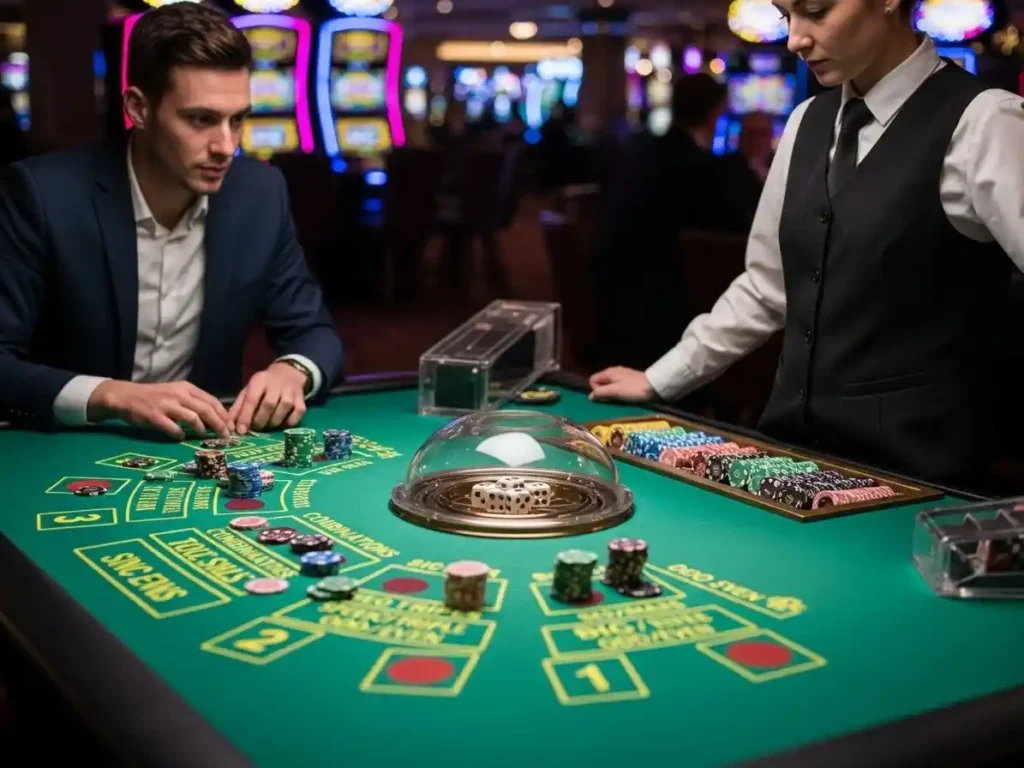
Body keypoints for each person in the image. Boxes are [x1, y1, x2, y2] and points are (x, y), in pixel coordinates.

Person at [589, 0, 1024, 485]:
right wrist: (661, 378)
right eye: (785, 15)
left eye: (815, 11)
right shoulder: (805, 121)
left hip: (920, 476)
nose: (795, 38)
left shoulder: (986, 121)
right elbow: (766, 285)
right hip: (794, 463)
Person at [0, 3, 344, 440]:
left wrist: (292, 371)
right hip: (70, 452)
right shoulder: (43, 195)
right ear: (138, 108)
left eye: (237, 119)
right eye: (200, 120)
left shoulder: (260, 194)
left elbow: (315, 333)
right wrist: (111, 395)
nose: (226, 146)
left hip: (202, 450)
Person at [591, 74, 749, 372]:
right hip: (669, 311)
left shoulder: (640, 152)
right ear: (715, 112)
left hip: (614, 299)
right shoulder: (704, 167)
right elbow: (741, 233)